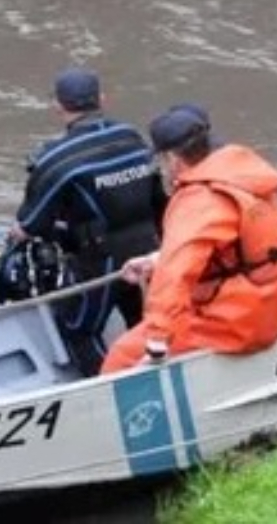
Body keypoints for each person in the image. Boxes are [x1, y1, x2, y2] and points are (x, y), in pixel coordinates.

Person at [99, 104, 277, 375]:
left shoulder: (199, 201)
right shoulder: (242, 175)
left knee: (122, 355)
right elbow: (234, 247)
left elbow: (175, 275)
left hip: (239, 319)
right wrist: (155, 260)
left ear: (173, 159)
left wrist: (157, 342)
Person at [13, 67, 166, 376]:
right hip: (150, 249)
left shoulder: (57, 159)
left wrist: (18, 235)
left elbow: (31, 225)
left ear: (58, 106)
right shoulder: (133, 137)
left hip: (102, 261)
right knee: (146, 324)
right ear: (102, 99)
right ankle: (159, 377)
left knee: (79, 329)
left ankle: (110, 391)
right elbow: (159, 198)